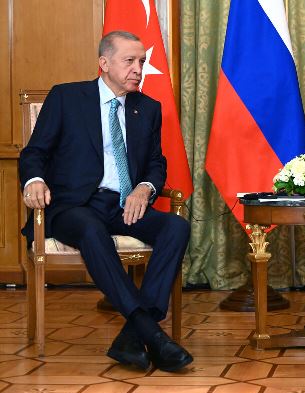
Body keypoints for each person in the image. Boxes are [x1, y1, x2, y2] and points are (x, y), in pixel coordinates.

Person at [19, 31, 193, 372]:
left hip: (123, 204)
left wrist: (144, 187)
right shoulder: (67, 97)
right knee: (90, 229)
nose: (138, 69)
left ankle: (132, 337)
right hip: (73, 206)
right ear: (104, 63)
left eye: (141, 61)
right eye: (129, 61)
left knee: (176, 227)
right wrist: (34, 180)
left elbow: (156, 163)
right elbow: (34, 153)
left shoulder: (148, 108)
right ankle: (151, 333)